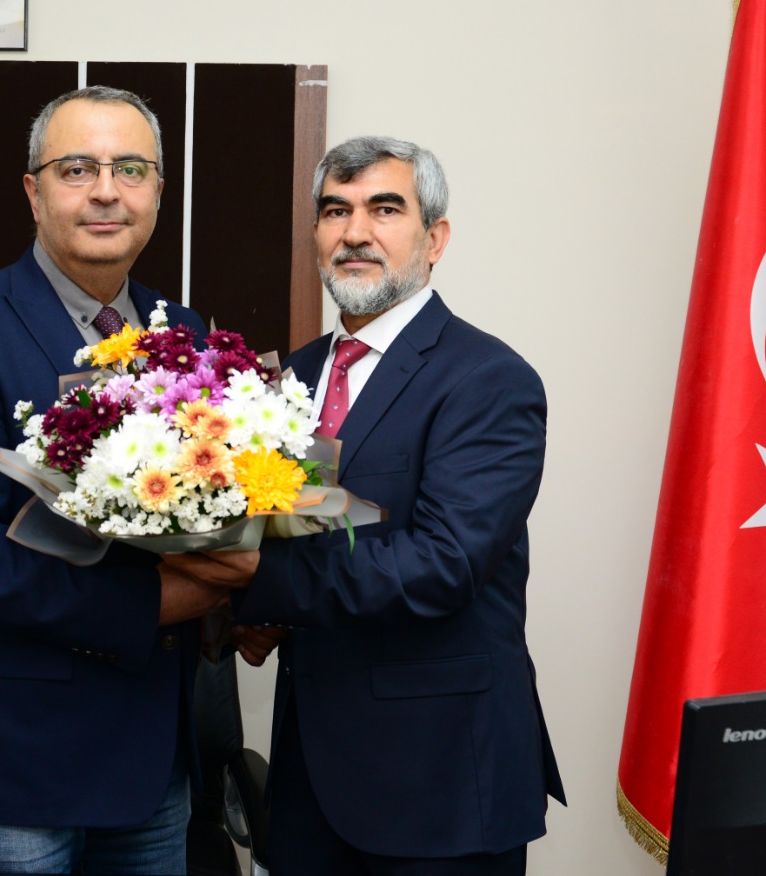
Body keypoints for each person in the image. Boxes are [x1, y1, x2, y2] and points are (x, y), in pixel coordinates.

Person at [181, 136, 564, 875]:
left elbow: (443, 563)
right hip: (308, 780)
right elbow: (290, 527)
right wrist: (247, 614)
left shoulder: (488, 378)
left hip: (440, 783)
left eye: (384, 209)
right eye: (336, 211)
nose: (355, 231)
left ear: (435, 238)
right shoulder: (286, 380)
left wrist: (258, 581)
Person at [0, 86, 240, 874]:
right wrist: (151, 602)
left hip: (152, 761)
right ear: (33, 191)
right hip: (7, 759)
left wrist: (243, 580)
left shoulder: (184, 332)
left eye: (131, 169)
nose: (107, 190)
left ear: (158, 190)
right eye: (77, 168)